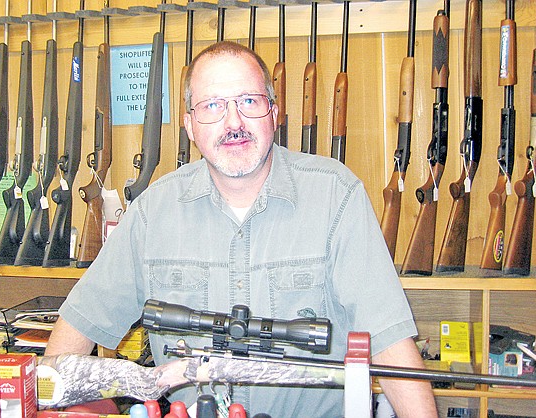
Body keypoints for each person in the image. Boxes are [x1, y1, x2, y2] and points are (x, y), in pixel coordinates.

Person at [45, 41, 438, 417]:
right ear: (190, 126)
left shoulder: (336, 195)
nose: (233, 122)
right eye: (212, 106)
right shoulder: (152, 211)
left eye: (249, 101)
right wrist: (47, 400)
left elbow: (390, 342)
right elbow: (79, 326)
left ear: (274, 113)